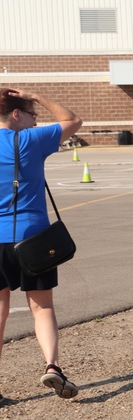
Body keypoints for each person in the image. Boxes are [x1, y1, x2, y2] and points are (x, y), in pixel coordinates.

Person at [0, 87, 84, 400]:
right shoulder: (32, 141)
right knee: (42, 306)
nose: (35, 122)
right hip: (32, 235)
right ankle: (52, 366)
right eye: (32, 115)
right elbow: (72, 120)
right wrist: (38, 95)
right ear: (16, 114)